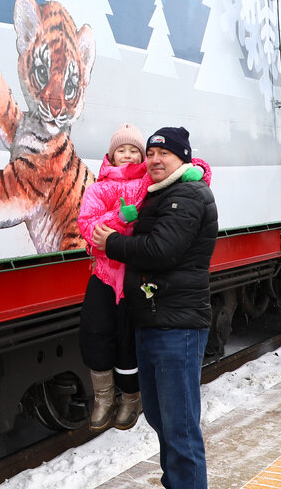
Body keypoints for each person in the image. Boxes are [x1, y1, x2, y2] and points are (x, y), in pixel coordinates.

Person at [92, 126, 217, 489]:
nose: (154, 159)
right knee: (163, 420)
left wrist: (112, 242)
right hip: (155, 322)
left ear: (183, 157)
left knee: (180, 428)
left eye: (164, 153)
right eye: (151, 153)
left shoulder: (188, 194)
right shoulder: (161, 193)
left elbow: (162, 250)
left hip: (176, 327)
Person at [77, 124, 148, 431]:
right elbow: (88, 229)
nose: (128, 156)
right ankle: (104, 398)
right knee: (95, 333)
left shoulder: (149, 182)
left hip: (134, 274)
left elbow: (180, 166)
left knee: (128, 340)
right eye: (122, 150)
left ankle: (131, 399)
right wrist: (119, 219)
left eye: (135, 151)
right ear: (111, 154)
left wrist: (198, 170)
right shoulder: (97, 189)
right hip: (105, 275)